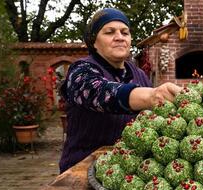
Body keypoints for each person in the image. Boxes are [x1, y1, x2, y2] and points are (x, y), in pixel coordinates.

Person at [59, 8, 181, 173]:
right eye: (109, 32)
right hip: (81, 168)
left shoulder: (138, 74)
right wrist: (152, 96)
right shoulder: (81, 70)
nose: (119, 37)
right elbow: (100, 92)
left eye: (125, 32)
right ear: (94, 41)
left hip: (127, 170)